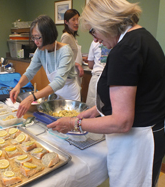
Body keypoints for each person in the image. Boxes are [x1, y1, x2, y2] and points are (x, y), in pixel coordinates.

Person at [47, 0, 165, 186]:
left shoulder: (124, 50)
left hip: (137, 142)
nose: (95, 39)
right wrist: (95, 110)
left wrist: (74, 122)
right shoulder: (143, 38)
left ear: (106, 22)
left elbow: (122, 121)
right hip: (152, 134)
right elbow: (138, 95)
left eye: (94, 30)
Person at [10, 15, 81, 118]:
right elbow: (29, 72)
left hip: (70, 95)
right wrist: (18, 86)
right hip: (55, 93)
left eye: (38, 37)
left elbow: (59, 81)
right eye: (33, 37)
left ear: (48, 34)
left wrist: (31, 98)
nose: (35, 41)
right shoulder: (40, 51)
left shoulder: (65, 51)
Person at [60, 9, 84, 86]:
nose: (77, 23)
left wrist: (82, 58)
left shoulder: (72, 36)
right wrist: (77, 64)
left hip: (73, 73)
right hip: (68, 76)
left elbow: (71, 54)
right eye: (73, 20)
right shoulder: (66, 36)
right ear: (66, 22)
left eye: (78, 19)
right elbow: (62, 58)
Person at [86, 41, 111, 108]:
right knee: (107, 108)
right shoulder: (117, 40)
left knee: (92, 108)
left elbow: (90, 65)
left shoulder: (94, 42)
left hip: (97, 77)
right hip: (111, 79)